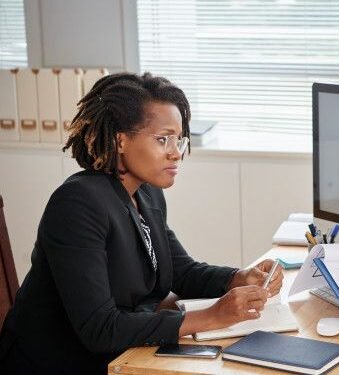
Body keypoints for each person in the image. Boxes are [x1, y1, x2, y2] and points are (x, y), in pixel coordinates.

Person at [0, 72, 284, 374]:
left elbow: (180, 271)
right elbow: (100, 327)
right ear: (121, 140)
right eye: (163, 139)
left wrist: (239, 278)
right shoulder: (77, 204)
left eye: (179, 139)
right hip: (57, 366)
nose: (176, 152)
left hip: (124, 356)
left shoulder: (146, 193)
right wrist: (214, 315)